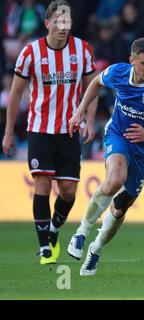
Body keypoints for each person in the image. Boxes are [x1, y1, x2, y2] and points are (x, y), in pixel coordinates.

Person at [67, 38, 144, 276]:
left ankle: (95, 250)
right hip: (118, 134)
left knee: (120, 208)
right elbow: (96, 82)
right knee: (115, 178)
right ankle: (81, 232)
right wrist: (80, 110)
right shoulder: (118, 72)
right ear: (132, 61)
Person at [1, 0, 97, 265]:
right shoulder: (30, 53)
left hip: (69, 130)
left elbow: (93, 88)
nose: (63, 26)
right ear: (47, 23)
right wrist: (9, 132)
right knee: (42, 184)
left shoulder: (83, 50)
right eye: (58, 21)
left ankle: (53, 230)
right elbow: (16, 93)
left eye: (67, 21)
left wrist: (89, 121)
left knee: (68, 191)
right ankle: (45, 247)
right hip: (40, 129)